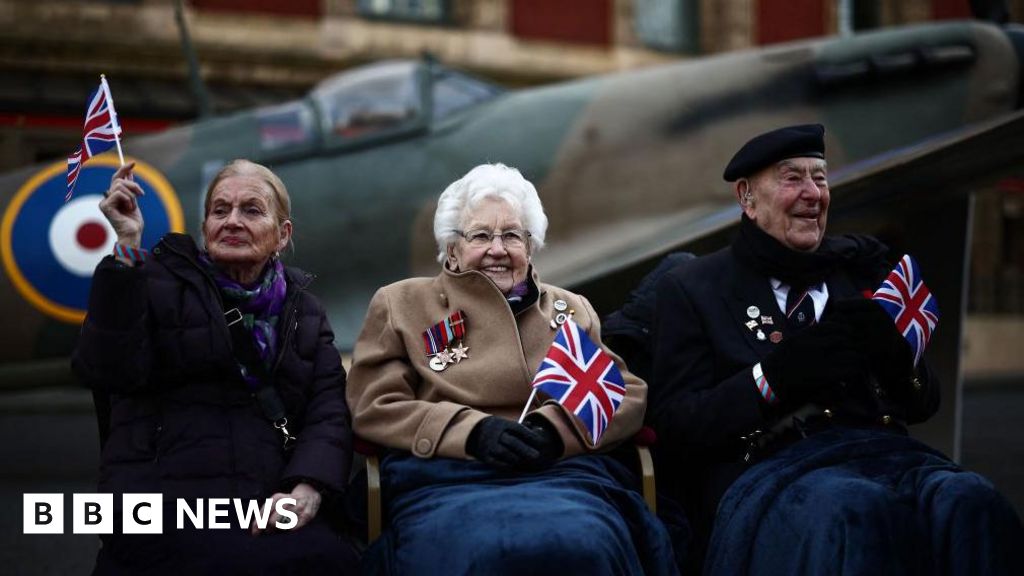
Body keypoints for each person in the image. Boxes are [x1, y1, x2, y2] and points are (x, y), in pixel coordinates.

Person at [648, 124, 1023, 574]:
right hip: (774, 470)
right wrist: (773, 378)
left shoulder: (862, 274)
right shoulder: (693, 288)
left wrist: (899, 360)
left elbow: (924, 403)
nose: (813, 193)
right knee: (859, 513)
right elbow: (674, 427)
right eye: (792, 178)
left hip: (885, 455)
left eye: (820, 178)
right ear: (746, 197)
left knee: (974, 500)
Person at [346, 163, 681, 575]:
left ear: (531, 246)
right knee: (471, 553)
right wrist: (471, 432)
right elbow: (374, 405)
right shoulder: (403, 304)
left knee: (585, 545)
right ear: (451, 248)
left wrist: (555, 433)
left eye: (512, 236)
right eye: (481, 235)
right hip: (450, 477)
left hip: (561, 475)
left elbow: (623, 395)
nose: (498, 249)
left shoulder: (570, 308)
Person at [72, 159, 359, 574]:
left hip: (267, 494)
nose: (233, 221)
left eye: (252, 210)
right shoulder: (152, 283)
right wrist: (126, 248)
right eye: (220, 211)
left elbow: (328, 409)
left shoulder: (305, 312)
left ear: (283, 235)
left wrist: (308, 486)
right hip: (166, 498)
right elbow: (104, 369)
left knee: (331, 560)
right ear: (205, 228)